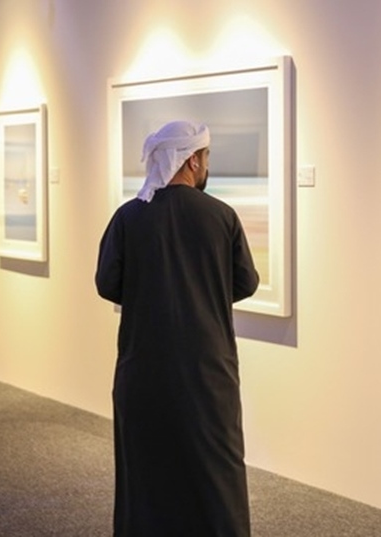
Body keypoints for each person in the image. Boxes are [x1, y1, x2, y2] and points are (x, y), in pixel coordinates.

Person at [95, 120, 260, 537]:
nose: (206, 165)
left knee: (145, 470)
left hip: (143, 368)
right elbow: (246, 282)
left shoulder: (129, 216)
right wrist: (203, 293)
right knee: (216, 471)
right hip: (208, 370)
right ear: (192, 161)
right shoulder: (221, 216)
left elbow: (107, 283)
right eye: (205, 157)